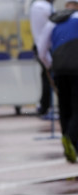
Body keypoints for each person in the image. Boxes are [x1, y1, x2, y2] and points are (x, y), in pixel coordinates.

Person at [37, 0, 78, 163]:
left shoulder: (52, 22)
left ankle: (68, 143)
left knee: (64, 106)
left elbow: (41, 51)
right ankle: (71, 138)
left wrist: (51, 65)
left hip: (60, 68)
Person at [29, 0, 55, 118]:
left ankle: (45, 106)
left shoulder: (36, 6)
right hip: (45, 47)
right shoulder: (45, 7)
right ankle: (46, 108)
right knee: (48, 78)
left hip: (40, 45)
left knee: (46, 77)